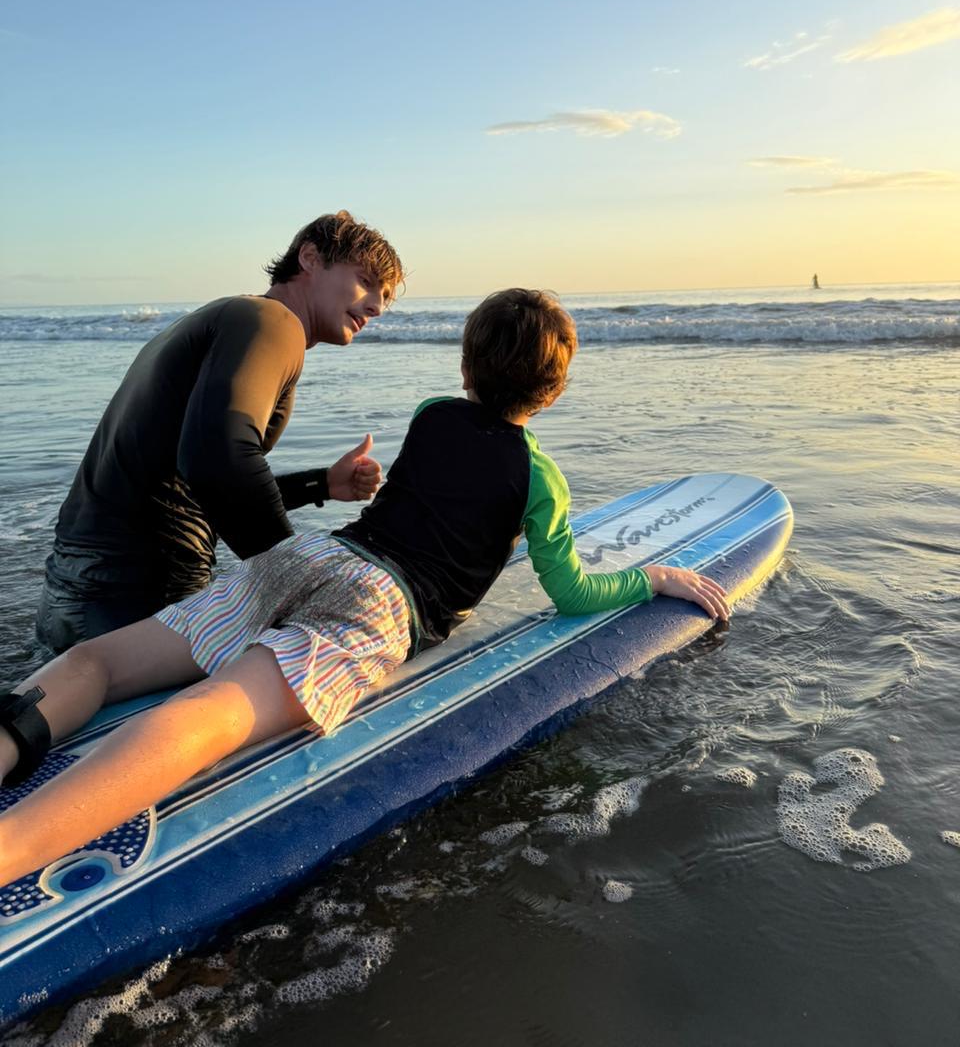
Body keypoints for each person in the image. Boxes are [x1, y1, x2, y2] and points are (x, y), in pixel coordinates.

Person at [0, 288, 729, 888]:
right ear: (554, 390)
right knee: (208, 713)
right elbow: (568, 589)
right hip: (380, 605)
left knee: (97, 662)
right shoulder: (540, 476)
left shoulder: (431, 415)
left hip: (307, 557)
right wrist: (650, 577)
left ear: (467, 367)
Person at [36, 210, 404, 653]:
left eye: (384, 296)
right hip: (141, 592)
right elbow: (215, 459)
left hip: (74, 591)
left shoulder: (228, 318)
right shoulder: (274, 322)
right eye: (365, 281)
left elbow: (193, 482)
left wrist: (320, 484)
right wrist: (294, 579)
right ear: (310, 258)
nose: (376, 307)